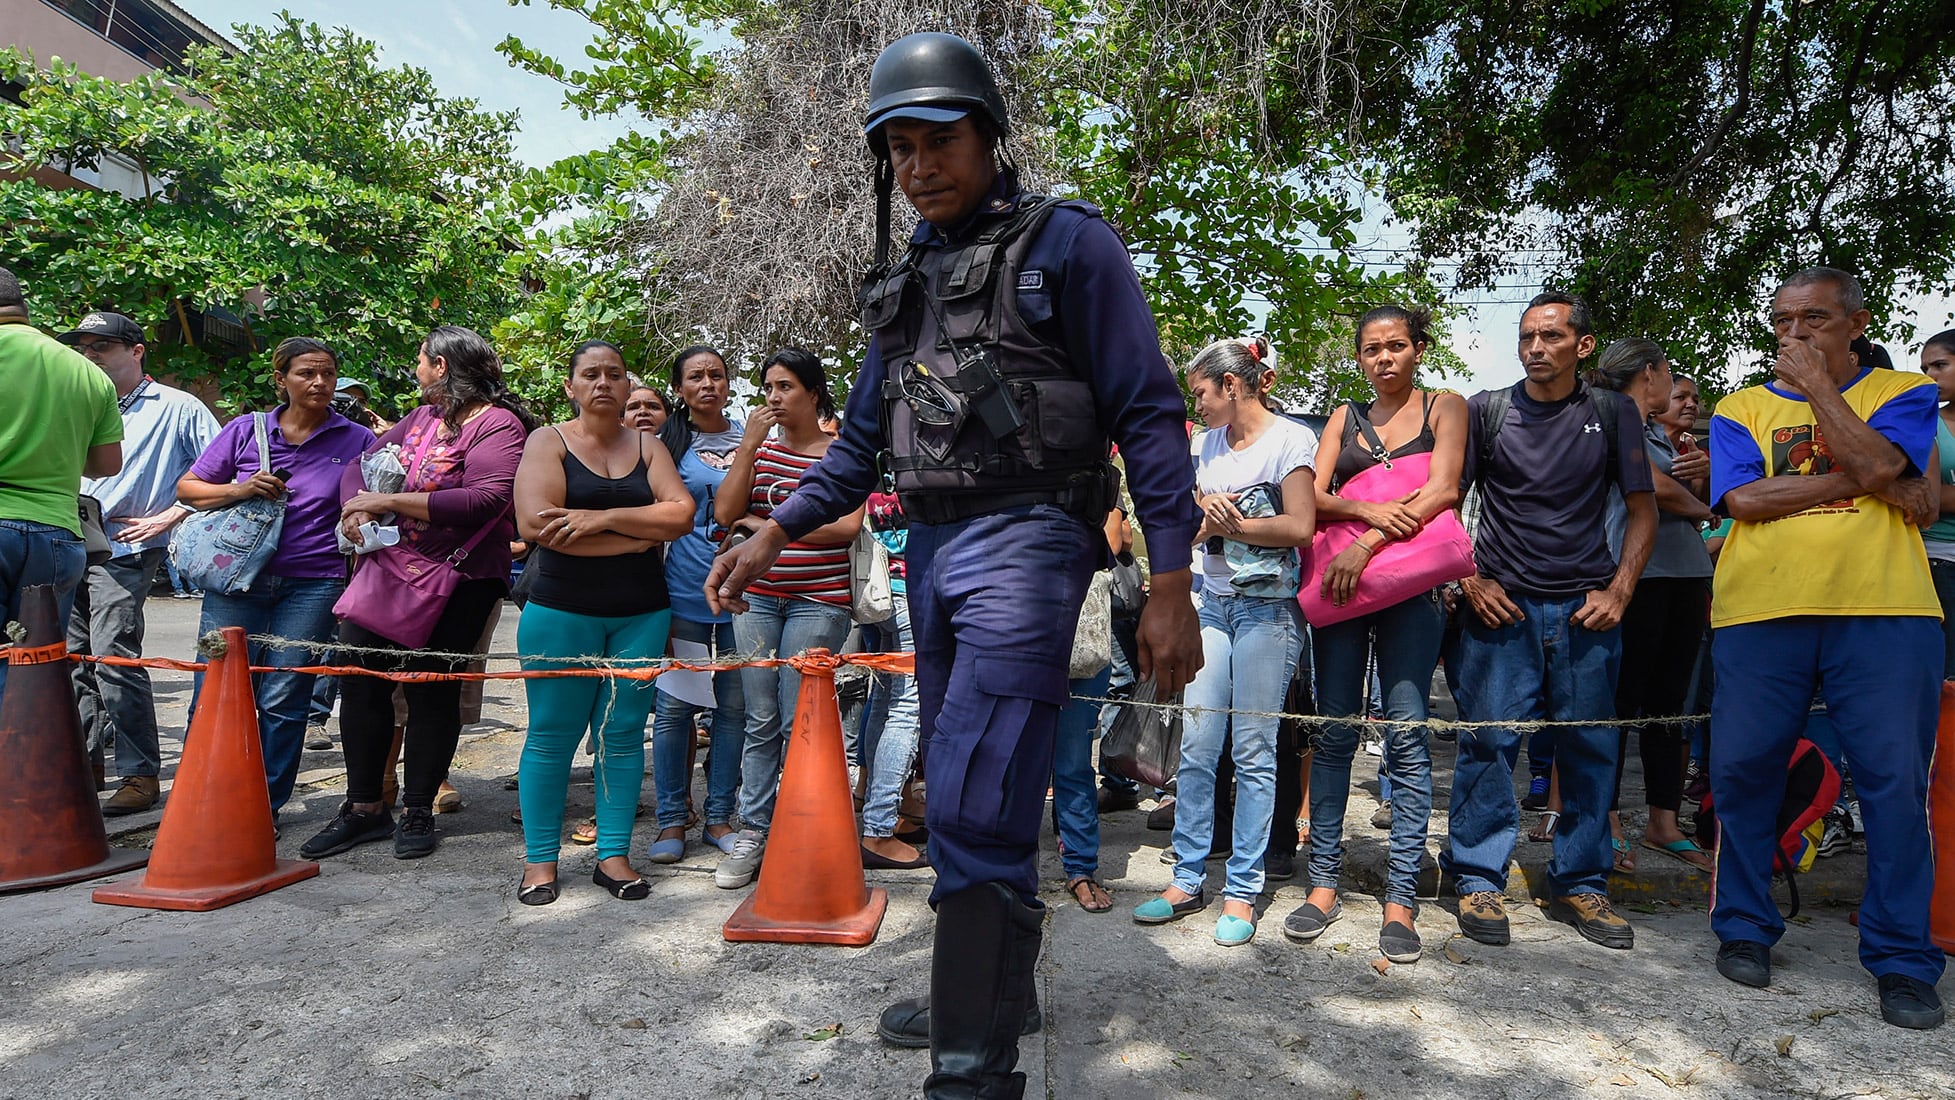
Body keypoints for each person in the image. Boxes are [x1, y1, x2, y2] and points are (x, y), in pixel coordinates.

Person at [704, 32, 1202, 1099]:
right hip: (928, 550)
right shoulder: (905, 281)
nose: (918, 166)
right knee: (979, 785)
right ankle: (995, 991)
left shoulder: (1068, 244)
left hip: (1029, 541)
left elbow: (1150, 418)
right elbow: (856, 449)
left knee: (971, 800)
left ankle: (971, 1073)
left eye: (939, 141)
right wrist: (773, 528)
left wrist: (1170, 583)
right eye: (898, 151)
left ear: (989, 136)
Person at [1706, 267, 1945, 1029]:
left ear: (1853, 322)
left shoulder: (1903, 391)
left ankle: (1902, 960)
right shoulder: (1737, 407)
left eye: (1811, 319)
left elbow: (1883, 467)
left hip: (1885, 611)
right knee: (1742, 773)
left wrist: (1820, 394)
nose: (1792, 334)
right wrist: (1871, 481)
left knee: (1892, 786)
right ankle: (1742, 926)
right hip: (1758, 610)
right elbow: (1741, 500)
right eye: (1781, 321)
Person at [1445, 290, 1656, 951]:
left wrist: (1618, 591)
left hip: (1583, 614)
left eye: (1551, 337)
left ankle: (1581, 884)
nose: (1536, 348)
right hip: (1498, 610)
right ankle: (1478, 878)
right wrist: (1468, 578)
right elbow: (1446, 506)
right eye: (1527, 337)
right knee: (1487, 745)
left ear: (1582, 345)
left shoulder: (1610, 411)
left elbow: (1643, 510)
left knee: (1591, 752)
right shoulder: (1488, 411)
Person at [299, 325, 532, 862]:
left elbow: (485, 499)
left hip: (462, 578)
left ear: (442, 366)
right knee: (359, 685)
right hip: (390, 572)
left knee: (432, 691)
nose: (416, 371)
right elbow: (361, 464)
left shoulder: (498, 425)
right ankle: (364, 809)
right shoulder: (423, 418)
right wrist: (356, 506)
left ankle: (419, 808)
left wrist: (392, 502)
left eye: (421, 362)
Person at [1288, 305, 1466, 963]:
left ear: (1418, 349)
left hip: (1409, 592)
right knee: (1333, 733)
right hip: (1341, 592)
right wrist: (1364, 508)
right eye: (1371, 349)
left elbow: (1444, 489)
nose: (1383, 358)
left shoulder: (1444, 408)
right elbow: (1309, 490)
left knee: (1407, 735)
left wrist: (1362, 544)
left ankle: (1400, 899)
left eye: (1395, 346)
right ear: (1358, 358)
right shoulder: (1342, 416)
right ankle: (1324, 884)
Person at [1134, 336, 1312, 947]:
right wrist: (1200, 511)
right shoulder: (1202, 443)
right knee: (1200, 745)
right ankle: (1186, 878)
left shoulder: (1291, 440)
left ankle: (1243, 889)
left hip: (1267, 611)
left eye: (1204, 392)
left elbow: (1299, 526)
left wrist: (1228, 522)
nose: (1199, 404)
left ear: (1233, 386)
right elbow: (1184, 525)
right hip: (1210, 605)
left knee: (1257, 750)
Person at [510, 340, 693, 904]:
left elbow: (681, 513)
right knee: (551, 736)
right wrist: (641, 533)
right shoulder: (549, 440)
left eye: (614, 373)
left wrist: (601, 518)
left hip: (640, 611)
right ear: (571, 386)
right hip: (560, 611)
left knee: (620, 737)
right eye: (590, 374)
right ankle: (540, 861)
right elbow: (538, 524)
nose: (604, 383)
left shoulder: (649, 445)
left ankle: (612, 855)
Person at [177, 337, 374, 817]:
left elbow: (370, 501)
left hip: (313, 582)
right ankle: (199, 803)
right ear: (280, 379)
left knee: (286, 694)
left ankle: (259, 808)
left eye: (327, 373)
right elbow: (188, 489)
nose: (320, 382)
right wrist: (239, 488)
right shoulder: (247, 431)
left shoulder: (357, 440)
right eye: (307, 373)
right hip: (235, 581)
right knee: (216, 688)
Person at [709, 347, 864, 890]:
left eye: (786, 387)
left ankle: (805, 828)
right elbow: (725, 514)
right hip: (756, 598)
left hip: (819, 599)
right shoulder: (760, 453)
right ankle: (754, 829)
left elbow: (844, 527)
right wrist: (748, 448)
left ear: (814, 393)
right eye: (769, 387)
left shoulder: (841, 453)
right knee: (759, 716)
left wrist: (766, 524)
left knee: (806, 718)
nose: (774, 397)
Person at [59, 310, 220, 816]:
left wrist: (171, 515)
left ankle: (138, 772)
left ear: (136, 351)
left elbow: (224, 470)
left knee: (113, 657)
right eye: (84, 347)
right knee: (68, 660)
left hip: (126, 549)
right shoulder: (75, 398)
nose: (90, 356)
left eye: (102, 347)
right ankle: (84, 768)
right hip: (65, 542)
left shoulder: (177, 407)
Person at [1585, 340, 1715, 874]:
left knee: (1671, 705)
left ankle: (1664, 821)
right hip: (1633, 577)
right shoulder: (1611, 420)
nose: (1675, 388)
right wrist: (1707, 508)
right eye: (1669, 375)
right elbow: (1656, 490)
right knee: (1619, 702)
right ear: (1649, 374)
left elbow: (1677, 485)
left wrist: (1696, 487)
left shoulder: (1664, 436)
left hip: (1688, 575)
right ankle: (1607, 819)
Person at [0, 267, 123, 714]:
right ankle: (30, 781)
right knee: (39, 669)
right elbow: (107, 464)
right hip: (56, 533)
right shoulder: (86, 371)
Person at [647, 346, 747, 864]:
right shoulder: (663, 445)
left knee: (734, 708)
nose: (708, 383)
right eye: (696, 377)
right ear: (680, 390)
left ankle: (720, 818)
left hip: (741, 595)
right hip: (681, 594)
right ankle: (670, 821)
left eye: (717, 375)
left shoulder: (752, 437)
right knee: (674, 709)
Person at [856, 489, 928, 870]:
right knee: (906, 709)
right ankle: (879, 829)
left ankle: (884, 811)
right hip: (908, 590)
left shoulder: (874, 457)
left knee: (884, 702)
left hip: (877, 591)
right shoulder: (911, 459)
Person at [1918, 329, 1955, 675]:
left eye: (1940, 365)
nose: (1930, 376)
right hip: (1939, 557)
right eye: (1925, 368)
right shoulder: (1925, 425)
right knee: (1948, 673)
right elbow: (1926, 497)